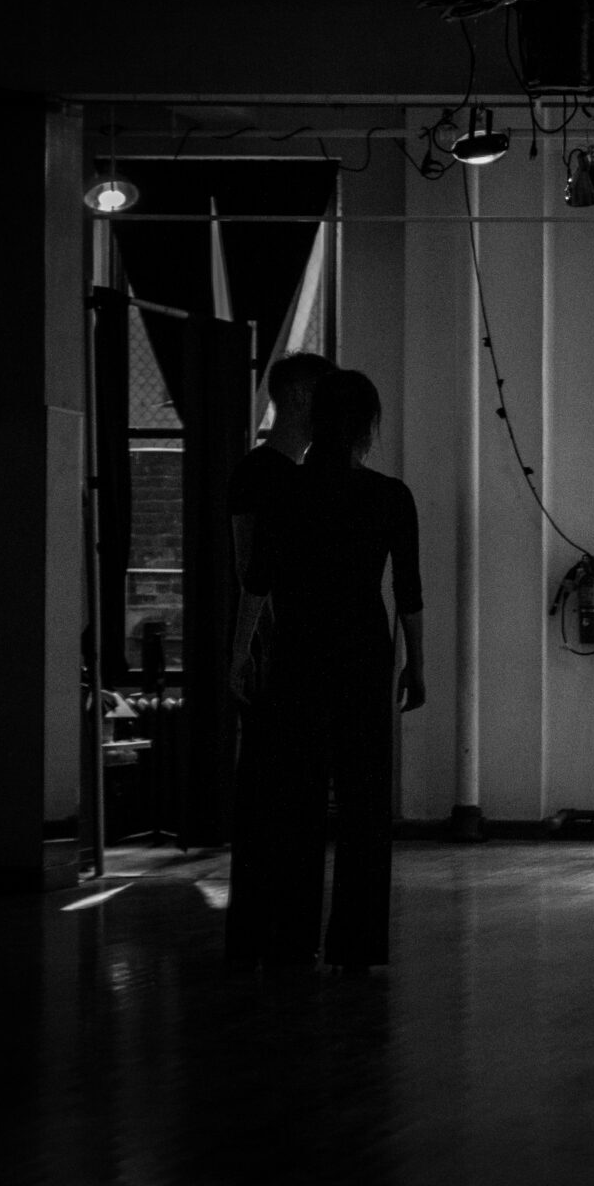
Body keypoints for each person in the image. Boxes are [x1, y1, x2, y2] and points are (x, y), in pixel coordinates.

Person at [232, 370, 426, 975]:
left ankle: (292, 940)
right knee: (366, 804)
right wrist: (416, 666)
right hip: (365, 654)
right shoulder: (391, 496)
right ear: (367, 426)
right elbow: (409, 593)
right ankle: (357, 945)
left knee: (298, 801)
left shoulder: (285, 491)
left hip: (299, 656)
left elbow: (257, 582)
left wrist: (239, 656)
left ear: (315, 421)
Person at [221, 352, 333, 968]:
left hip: (286, 658)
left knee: (280, 797)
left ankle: (271, 933)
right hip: (281, 661)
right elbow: (251, 574)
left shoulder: (279, 473)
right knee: (278, 798)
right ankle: (276, 932)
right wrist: (256, 651)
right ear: (296, 400)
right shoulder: (266, 473)